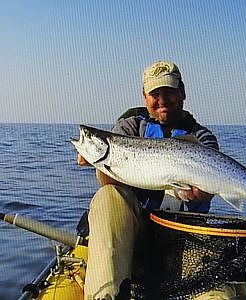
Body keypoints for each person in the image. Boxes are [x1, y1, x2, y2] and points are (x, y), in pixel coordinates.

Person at [77, 61, 224, 300]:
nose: (162, 100)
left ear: (182, 93)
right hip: (137, 234)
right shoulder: (130, 127)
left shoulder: (201, 137)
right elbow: (109, 183)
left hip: (185, 234)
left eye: (170, 92)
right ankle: (105, 294)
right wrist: (97, 161)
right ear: (144, 97)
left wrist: (205, 192)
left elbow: (208, 191)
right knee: (107, 196)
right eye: (155, 94)